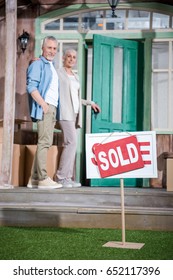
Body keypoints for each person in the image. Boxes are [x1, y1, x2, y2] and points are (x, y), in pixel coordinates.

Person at [55, 49, 101, 187]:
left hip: (75, 114)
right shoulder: (58, 73)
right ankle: (61, 177)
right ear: (63, 58)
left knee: (71, 144)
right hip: (64, 113)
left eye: (74, 57)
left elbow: (75, 97)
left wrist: (90, 103)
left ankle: (68, 178)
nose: (71, 59)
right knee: (72, 143)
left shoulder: (76, 76)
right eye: (68, 56)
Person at [26, 36, 62, 190]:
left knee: (45, 142)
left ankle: (33, 179)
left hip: (52, 107)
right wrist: (43, 105)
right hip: (45, 107)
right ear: (43, 47)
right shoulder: (38, 64)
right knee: (44, 143)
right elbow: (31, 87)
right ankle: (42, 178)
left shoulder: (51, 66)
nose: (52, 51)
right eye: (49, 47)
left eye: (54, 48)